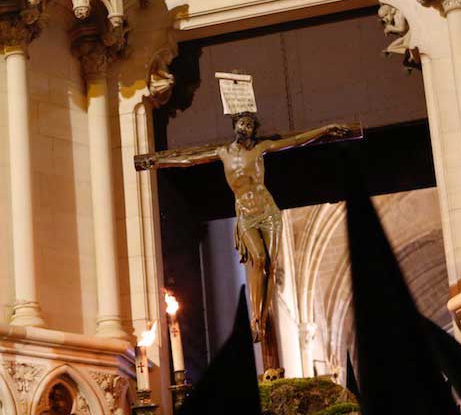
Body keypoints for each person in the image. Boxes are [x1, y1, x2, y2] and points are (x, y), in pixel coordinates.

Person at [137, 113, 352, 341]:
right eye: (242, 122)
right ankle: (256, 317)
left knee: (271, 263)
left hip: (268, 212)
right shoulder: (223, 152)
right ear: (235, 126)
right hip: (246, 215)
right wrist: (158, 162)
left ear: (253, 130)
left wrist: (325, 129)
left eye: (250, 124)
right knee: (258, 259)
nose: (245, 126)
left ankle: (263, 313)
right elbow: (190, 159)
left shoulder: (261, 149)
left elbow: (296, 140)